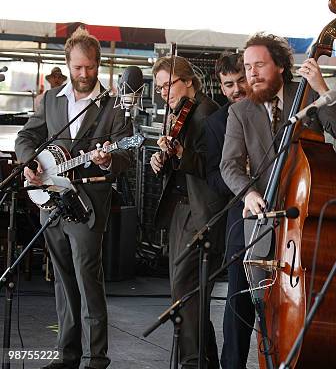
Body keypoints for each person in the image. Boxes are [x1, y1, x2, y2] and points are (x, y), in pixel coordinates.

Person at [220, 32, 336, 368]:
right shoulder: (241, 112)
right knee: (264, 312)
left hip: (305, 225)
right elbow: (229, 165)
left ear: (281, 65)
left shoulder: (308, 96)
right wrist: (249, 193)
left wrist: (324, 90)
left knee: (308, 305)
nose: (251, 73)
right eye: (247, 67)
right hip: (261, 225)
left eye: (259, 65)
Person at [15, 27, 133, 369]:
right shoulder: (51, 99)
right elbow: (28, 135)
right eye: (78, 67)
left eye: (91, 67)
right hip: (50, 200)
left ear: (99, 65)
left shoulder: (112, 106)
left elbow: (126, 152)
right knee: (63, 279)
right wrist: (31, 163)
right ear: (67, 64)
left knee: (87, 277)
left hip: (88, 205)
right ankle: (66, 355)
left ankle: (96, 357)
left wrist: (109, 158)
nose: (84, 74)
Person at [150, 56, 223, 368]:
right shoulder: (175, 115)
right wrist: (161, 161)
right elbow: (177, 168)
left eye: (168, 85)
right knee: (187, 291)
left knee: (185, 288)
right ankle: (204, 361)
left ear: (189, 82)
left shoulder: (208, 113)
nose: (164, 92)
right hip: (182, 210)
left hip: (202, 209)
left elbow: (214, 166)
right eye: (159, 88)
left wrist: (181, 152)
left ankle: (194, 362)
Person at [201, 52, 252, 369]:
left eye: (241, 81)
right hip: (240, 217)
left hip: (286, 215)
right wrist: (240, 181)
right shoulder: (215, 123)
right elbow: (212, 175)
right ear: (221, 88)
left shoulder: (272, 113)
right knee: (238, 300)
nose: (236, 89)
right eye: (229, 84)